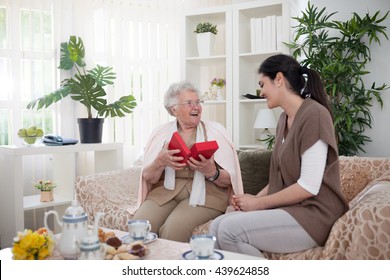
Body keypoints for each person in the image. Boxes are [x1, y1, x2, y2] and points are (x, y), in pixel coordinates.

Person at [209, 54, 349, 257]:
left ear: (279, 79)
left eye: (262, 84)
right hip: (293, 209)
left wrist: (258, 204)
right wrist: (251, 201)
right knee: (217, 226)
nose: (261, 91)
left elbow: (308, 186)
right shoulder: (283, 119)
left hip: (315, 216)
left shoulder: (314, 115)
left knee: (229, 231)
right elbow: (280, 177)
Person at [133, 81, 243, 242]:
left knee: (173, 230)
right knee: (139, 225)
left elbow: (230, 180)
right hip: (165, 192)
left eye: (198, 102)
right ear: (173, 109)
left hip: (207, 195)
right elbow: (148, 178)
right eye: (189, 103)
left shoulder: (216, 131)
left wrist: (212, 172)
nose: (196, 107)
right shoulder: (160, 134)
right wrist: (159, 162)